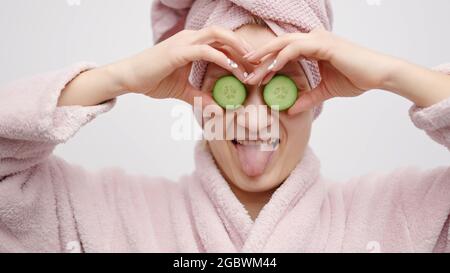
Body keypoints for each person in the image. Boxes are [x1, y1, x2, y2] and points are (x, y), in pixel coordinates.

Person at [0, 0, 449, 253]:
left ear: (318, 97)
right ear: (193, 99)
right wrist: (116, 78)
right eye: (226, 88)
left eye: (283, 87)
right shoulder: (105, 212)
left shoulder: (405, 214)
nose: (254, 118)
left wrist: (395, 75)